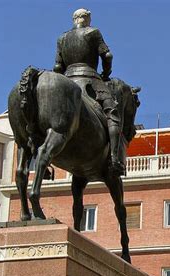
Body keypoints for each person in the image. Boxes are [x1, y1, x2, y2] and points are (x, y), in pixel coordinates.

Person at [53, 8, 125, 174]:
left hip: (67, 82)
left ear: (74, 20)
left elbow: (57, 66)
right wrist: (106, 74)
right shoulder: (94, 32)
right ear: (87, 19)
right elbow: (107, 55)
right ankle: (115, 158)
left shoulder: (62, 38)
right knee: (112, 114)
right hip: (90, 81)